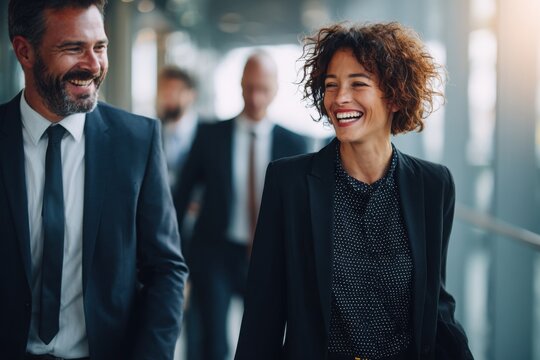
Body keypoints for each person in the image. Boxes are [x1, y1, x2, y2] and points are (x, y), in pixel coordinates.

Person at [235, 22, 474, 360]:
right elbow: (264, 313)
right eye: (331, 85)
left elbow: (435, 302)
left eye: (357, 83)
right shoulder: (289, 183)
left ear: (394, 95)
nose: (339, 98)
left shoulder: (433, 186)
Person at [0, 1, 188, 359]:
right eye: (73, 48)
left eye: (100, 47)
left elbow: (166, 270)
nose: (93, 64)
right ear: (24, 51)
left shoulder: (138, 141)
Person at [174, 50, 308, 360]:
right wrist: (176, 257)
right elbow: (181, 197)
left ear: (275, 88)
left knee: (264, 340)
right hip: (216, 252)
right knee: (214, 342)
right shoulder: (210, 135)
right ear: (240, 85)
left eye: (263, 88)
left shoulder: (294, 144)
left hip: (270, 254)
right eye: (250, 87)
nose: (256, 97)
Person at [156, 65, 204, 360]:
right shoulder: (148, 131)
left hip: (197, 234)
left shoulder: (207, 134)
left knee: (198, 312)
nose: (168, 98)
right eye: (165, 91)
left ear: (190, 95)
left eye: (175, 91)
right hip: (161, 233)